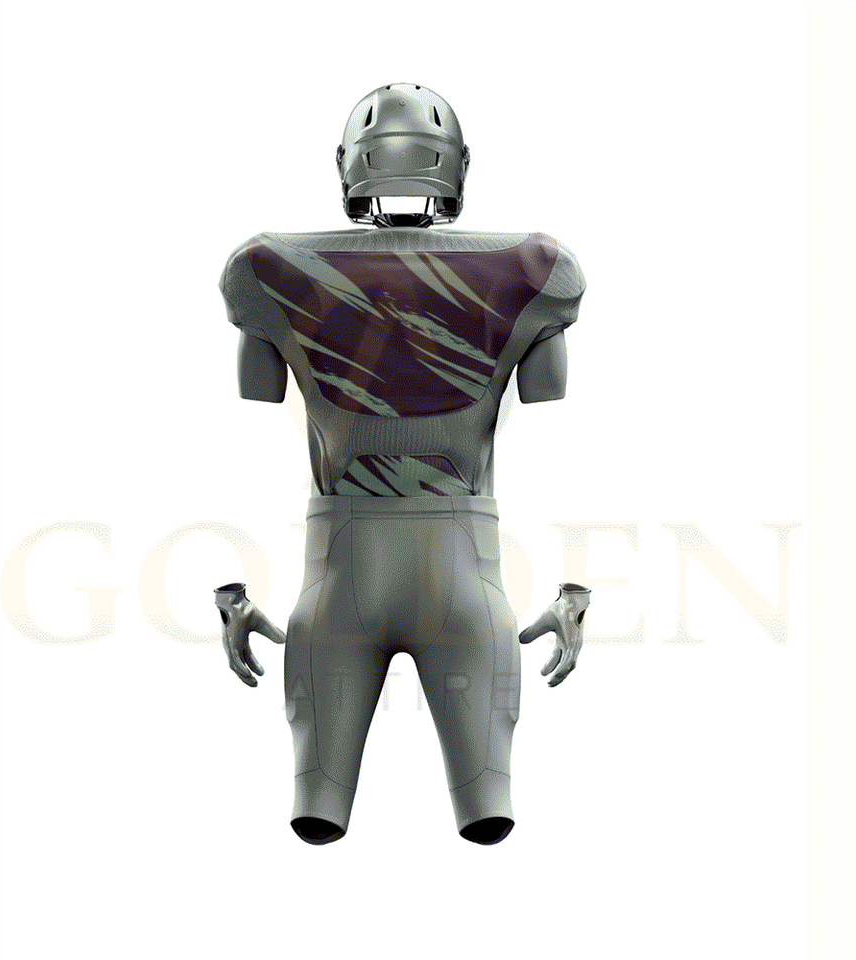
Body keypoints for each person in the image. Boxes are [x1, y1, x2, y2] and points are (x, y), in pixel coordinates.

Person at [216, 82, 591, 845]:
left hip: (337, 583)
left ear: (348, 164)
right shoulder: (533, 271)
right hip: (465, 581)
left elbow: (241, 427)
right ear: (457, 166)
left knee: (316, 812)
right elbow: (565, 432)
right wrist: (577, 585)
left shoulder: (269, 268)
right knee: (488, 811)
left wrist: (230, 589)